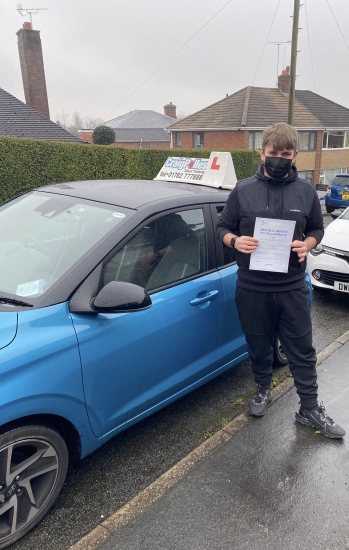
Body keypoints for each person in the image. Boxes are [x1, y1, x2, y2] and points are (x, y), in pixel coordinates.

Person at [216, 122, 345, 439]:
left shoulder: (305, 191)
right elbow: (221, 227)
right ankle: (262, 389)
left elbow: (317, 228)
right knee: (258, 345)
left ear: (295, 155)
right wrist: (235, 241)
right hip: (252, 288)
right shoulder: (243, 190)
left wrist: (308, 244)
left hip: (291, 287)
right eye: (273, 153)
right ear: (262, 153)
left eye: (285, 154)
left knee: (302, 350)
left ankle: (309, 408)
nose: (278, 158)